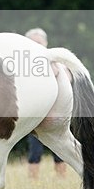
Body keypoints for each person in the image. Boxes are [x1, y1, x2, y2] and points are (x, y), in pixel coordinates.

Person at [24, 28, 66, 179]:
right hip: (35, 113)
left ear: (46, 43)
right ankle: (33, 182)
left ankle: (61, 179)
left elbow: (67, 78)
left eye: (39, 42)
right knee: (35, 150)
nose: (37, 45)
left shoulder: (55, 60)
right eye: (33, 43)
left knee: (61, 148)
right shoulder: (24, 64)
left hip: (55, 111)